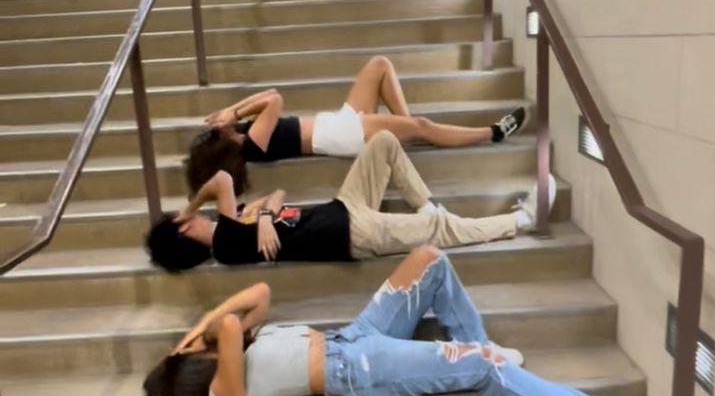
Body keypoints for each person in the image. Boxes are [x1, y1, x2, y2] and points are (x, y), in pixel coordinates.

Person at [139, 246, 652, 396]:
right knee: (479, 369)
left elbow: (259, 296)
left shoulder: (239, 355)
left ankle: (481, 347)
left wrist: (194, 337)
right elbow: (229, 325)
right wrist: (196, 336)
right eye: (191, 356)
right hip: (358, 371)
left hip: (353, 338)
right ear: (193, 374)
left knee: (430, 260)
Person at [146, 130, 557, 272]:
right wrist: (190, 204)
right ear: (183, 228)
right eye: (183, 219)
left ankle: (427, 205)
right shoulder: (224, 243)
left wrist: (266, 215)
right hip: (349, 233)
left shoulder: (233, 228)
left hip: (341, 209)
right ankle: (521, 221)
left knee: (383, 143)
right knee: (439, 232)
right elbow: (219, 178)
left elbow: (280, 197)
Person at [185, 54, 526, 195]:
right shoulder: (253, 145)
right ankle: (491, 133)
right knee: (422, 125)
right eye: (220, 130)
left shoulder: (247, 135)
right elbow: (275, 99)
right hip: (340, 136)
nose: (224, 124)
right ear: (224, 144)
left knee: (379, 65)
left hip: (336, 122)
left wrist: (233, 111)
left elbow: (270, 95)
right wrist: (234, 111)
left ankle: (401, 128)